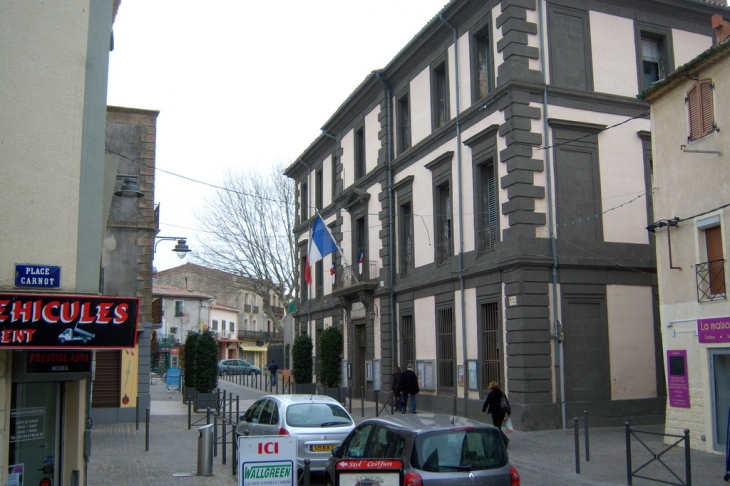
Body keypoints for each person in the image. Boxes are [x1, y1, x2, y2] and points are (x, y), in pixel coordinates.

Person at [482, 381, 510, 447]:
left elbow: (486, 402)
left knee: (497, 428)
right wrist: (508, 412)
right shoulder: (502, 393)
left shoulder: (491, 394)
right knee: (499, 427)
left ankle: (505, 440)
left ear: (491, 387)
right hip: (502, 413)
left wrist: (484, 410)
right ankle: (500, 441)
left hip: (495, 413)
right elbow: (506, 403)